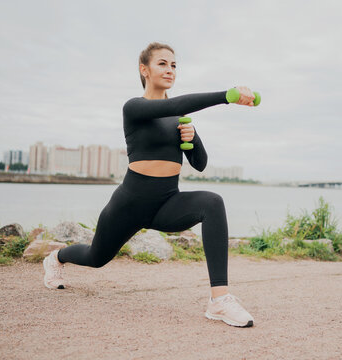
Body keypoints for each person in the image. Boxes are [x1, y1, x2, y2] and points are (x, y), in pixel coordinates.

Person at [43, 42, 257, 328]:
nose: (170, 70)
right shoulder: (134, 108)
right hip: (129, 204)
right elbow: (173, 104)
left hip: (166, 203)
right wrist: (226, 96)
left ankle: (219, 300)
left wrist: (192, 138)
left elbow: (201, 163)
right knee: (96, 257)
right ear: (144, 70)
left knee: (212, 202)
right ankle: (56, 258)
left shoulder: (178, 118)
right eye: (162, 64)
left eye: (174, 65)